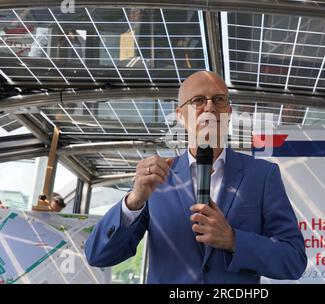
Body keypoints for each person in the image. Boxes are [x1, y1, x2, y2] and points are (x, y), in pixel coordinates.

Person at [85, 71, 307, 283]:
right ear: (180, 115)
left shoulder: (262, 175)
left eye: (218, 99)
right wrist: (133, 201)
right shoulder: (156, 179)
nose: (209, 106)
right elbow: (98, 255)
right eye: (198, 100)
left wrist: (233, 239)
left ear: (229, 112)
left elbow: (294, 260)